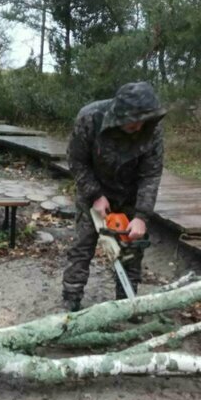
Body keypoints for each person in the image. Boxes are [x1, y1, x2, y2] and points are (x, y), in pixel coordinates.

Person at [62, 81, 167, 312]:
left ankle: (126, 303)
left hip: (129, 194)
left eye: (142, 122)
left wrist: (141, 216)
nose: (138, 127)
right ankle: (71, 299)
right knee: (82, 245)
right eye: (132, 122)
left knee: (132, 249)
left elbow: (151, 174)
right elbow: (76, 160)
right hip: (94, 187)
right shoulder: (90, 118)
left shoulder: (151, 130)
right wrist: (95, 195)